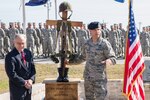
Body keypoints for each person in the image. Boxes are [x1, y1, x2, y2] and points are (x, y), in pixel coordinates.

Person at [69, 21, 116, 100]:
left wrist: (109, 61)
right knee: (89, 98)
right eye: (95, 30)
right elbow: (82, 58)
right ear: (90, 31)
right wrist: (70, 62)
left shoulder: (104, 44)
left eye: (98, 29)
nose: (97, 32)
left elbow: (113, 58)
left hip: (100, 78)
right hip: (88, 78)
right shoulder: (87, 43)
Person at [5, 34, 36, 100]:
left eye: (23, 43)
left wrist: (31, 80)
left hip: (28, 89)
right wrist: (24, 82)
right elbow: (11, 74)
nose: (21, 46)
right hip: (17, 90)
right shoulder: (10, 56)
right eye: (19, 43)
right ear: (14, 42)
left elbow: (33, 69)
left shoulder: (28, 53)